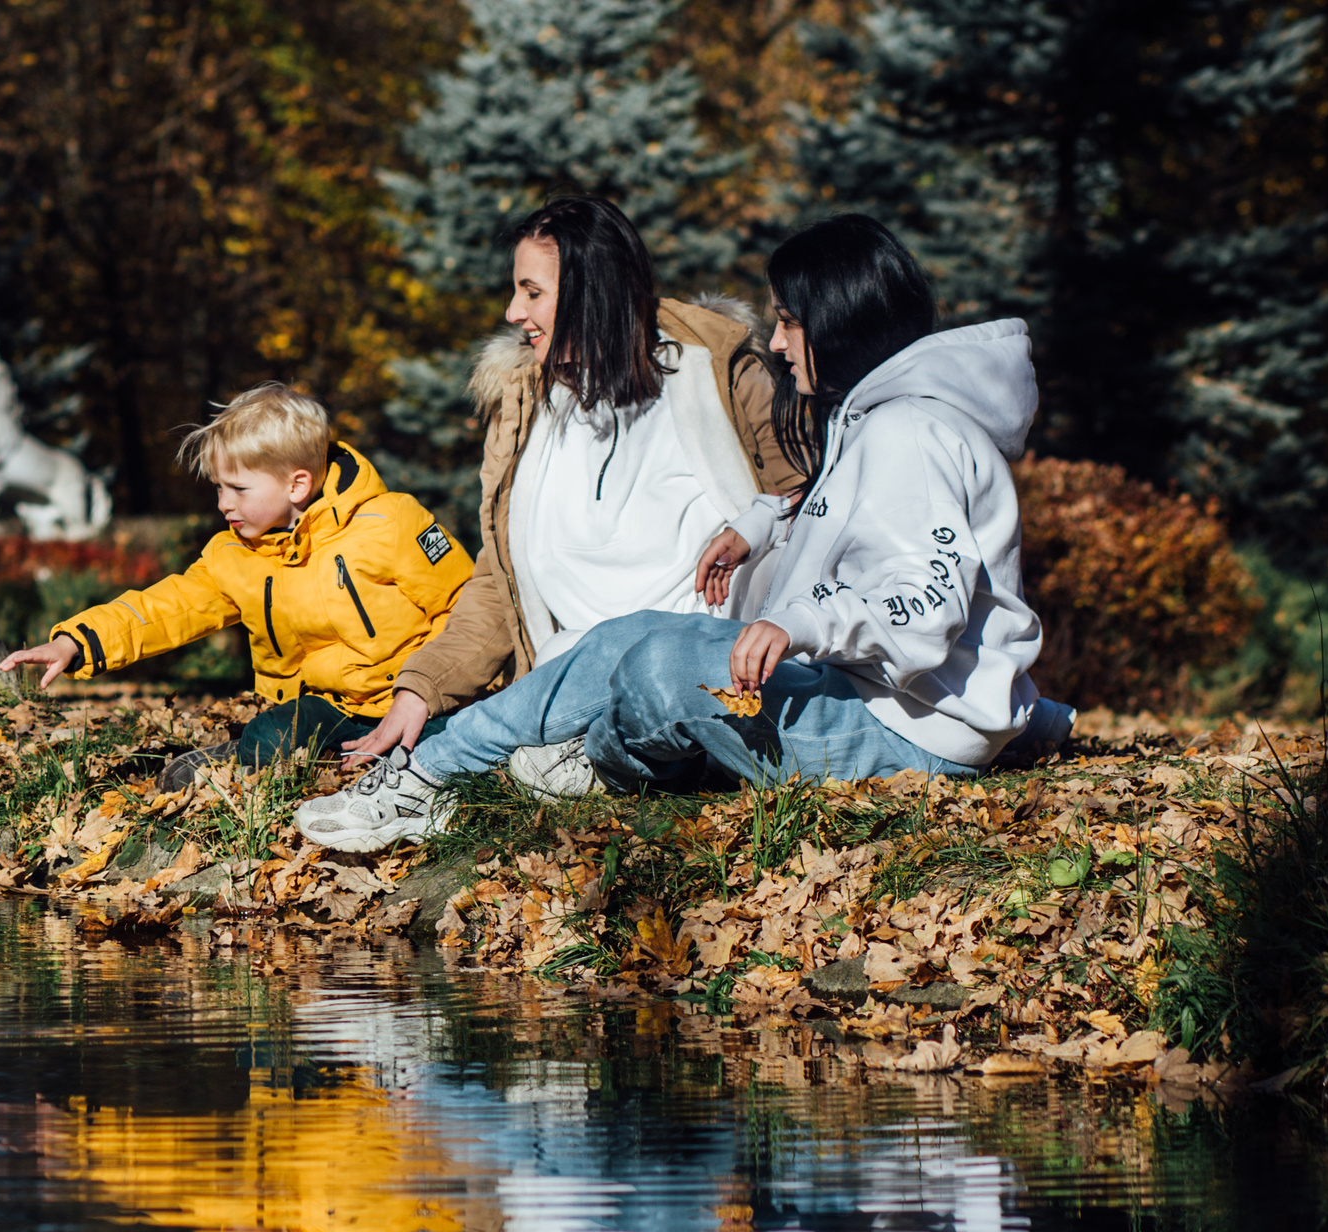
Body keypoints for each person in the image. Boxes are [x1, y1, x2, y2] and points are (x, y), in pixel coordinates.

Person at [299, 214, 1060, 853]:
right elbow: (832, 513)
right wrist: (754, 524)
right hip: (882, 703)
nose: (781, 341)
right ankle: (444, 771)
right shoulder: (880, 422)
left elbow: (926, 609)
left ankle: (465, 771)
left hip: (902, 732)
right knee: (631, 656)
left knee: (656, 666)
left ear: (842, 316)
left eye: (792, 321)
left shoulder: (907, 434)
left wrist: (794, 624)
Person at [335, 196, 807, 793]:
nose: (512, 312)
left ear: (593, 292)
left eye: (532, 292)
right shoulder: (527, 403)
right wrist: (420, 688)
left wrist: (756, 528)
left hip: (705, 675)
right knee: (362, 730)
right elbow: (498, 577)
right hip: (559, 682)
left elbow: (807, 498)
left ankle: (438, 779)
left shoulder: (719, 374)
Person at [0, 383, 475, 788]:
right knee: (267, 738)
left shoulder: (389, 522)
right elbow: (169, 607)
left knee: (444, 745)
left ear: (297, 485)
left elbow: (465, 604)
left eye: (239, 489)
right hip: (327, 706)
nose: (224, 504)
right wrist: (77, 641)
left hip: (414, 696)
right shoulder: (234, 554)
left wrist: (432, 688)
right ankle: (277, 763)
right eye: (217, 488)